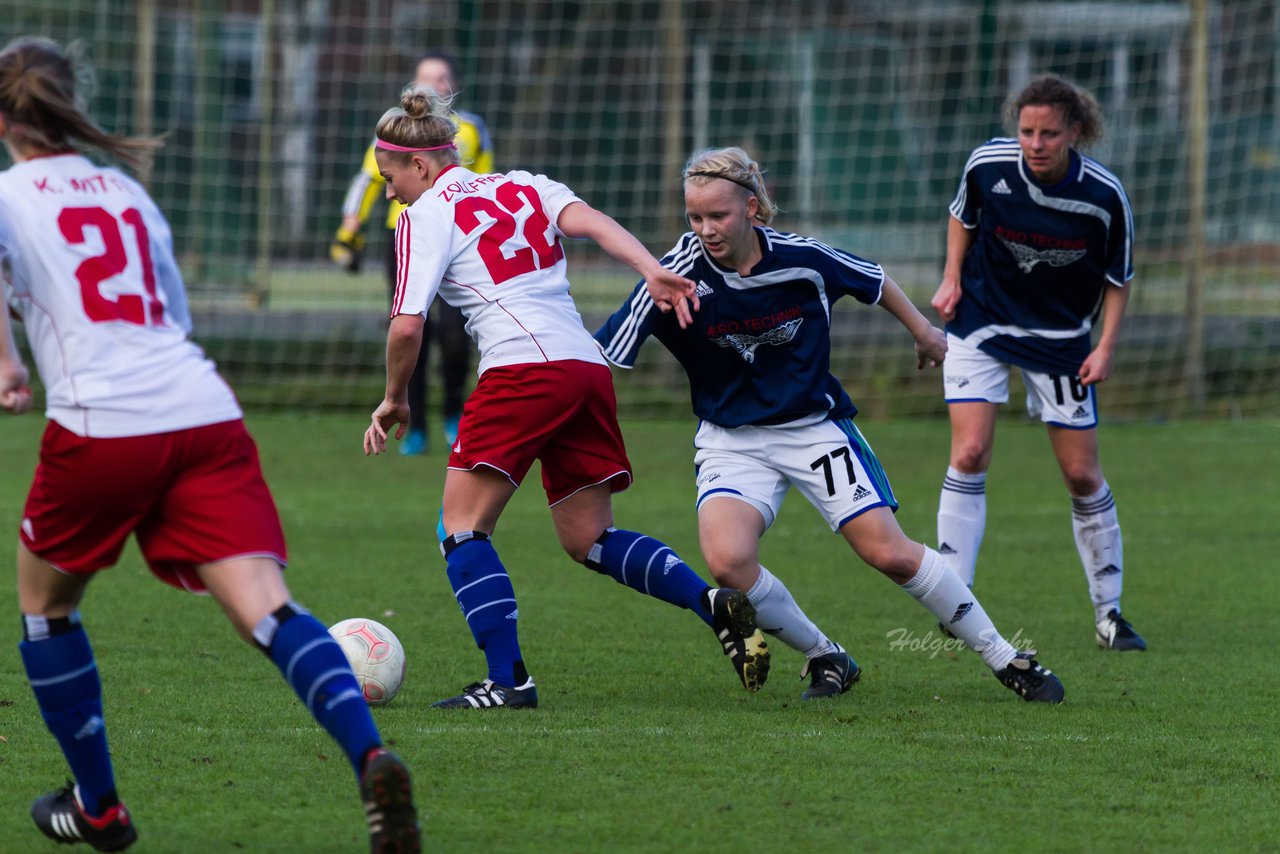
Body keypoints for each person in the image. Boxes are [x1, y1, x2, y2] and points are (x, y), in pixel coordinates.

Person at [0, 37, 420, 852]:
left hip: (100, 424)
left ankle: (100, 808)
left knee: (46, 610)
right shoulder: (126, 191)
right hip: (202, 412)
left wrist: (12, 367)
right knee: (268, 607)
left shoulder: (10, 193)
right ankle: (369, 755)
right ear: (69, 99)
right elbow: (174, 316)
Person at [596, 146, 1066, 704]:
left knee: (888, 553)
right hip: (732, 440)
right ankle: (827, 655)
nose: (705, 229)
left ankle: (1004, 656)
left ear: (752, 207)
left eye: (717, 215)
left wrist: (923, 331)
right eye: (694, 218)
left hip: (813, 428)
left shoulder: (802, 259)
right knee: (728, 562)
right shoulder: (674, 274)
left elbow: (874, 280)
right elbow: (603, 355)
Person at [361, 85, 770, 709]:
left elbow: (407, 324)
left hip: (522, 374)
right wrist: (650, 269)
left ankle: (508, 681)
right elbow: (592, 223)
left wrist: (395, 399)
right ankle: (709, 602)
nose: (389, 191)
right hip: (585, 366)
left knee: (461, 529)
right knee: (589, 537)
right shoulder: (525, 184)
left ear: (420, 165)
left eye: (390, 176)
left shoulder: (423, 216)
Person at [930, 74, 1145, 652]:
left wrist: (1105, 347)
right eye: (1027, 131)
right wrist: (952, 278)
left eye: (1049, 132)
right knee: (970, 452)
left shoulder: (1103, 196)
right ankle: (954, 601)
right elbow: (962, 216)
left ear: (1074, 132)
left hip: (1060, 339)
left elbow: (1118, 279)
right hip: (982, 321)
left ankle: (1109, 615)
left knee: (1081, 474)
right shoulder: (986, 166)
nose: (1035, 143)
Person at [332, 51, 488, 455]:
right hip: (403, 238)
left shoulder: (471, 129)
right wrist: (350, 230)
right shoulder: (394, 131)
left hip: (457, 238)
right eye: (425, 78)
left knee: (456, 335)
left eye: (441, 78)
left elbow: (483, 178)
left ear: (451, 86)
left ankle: (455, 413)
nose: (434, 85)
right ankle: (413, 422)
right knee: (412, 329)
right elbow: (369, 179)